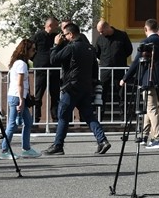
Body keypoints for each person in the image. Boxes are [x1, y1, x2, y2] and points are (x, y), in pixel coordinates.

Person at [44, 23, 110, 156]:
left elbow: (53, 59)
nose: (64, 37)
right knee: (88, 115)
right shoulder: (90, 48)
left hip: (71, 87)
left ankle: (58, 145)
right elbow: (94, 69)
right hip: (85, 87)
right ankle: (102, 140)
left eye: (65, 35)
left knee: (63, 115)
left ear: (71, 34)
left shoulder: (72, 47)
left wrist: (56, 45)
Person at [121, 19, 159, 149]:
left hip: (150, 80)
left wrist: (125, 78)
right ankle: (145, 135)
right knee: (153, 109)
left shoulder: (146, 42)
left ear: (145, 29)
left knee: (151, 109)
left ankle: (157, 138)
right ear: (157, 28)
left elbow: (136, 62)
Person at [0, 38, 41, 159]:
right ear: (26, 50)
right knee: (12, 125)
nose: (34, 52)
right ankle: (4, 150)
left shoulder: (18, 63)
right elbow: (20, 84)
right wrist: (22, 100)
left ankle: (26, 148)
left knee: (28, 122)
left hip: (16, 95)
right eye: (33, 49)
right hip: (17, 96)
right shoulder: (22, 64)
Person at [31, 17, 61, 123]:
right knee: (38, 95)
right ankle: (35, 117)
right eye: (56, 25)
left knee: (55, 95)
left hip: (54, 70)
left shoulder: (56, 37)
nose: (57, 27)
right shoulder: (38, 36)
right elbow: (30, 49)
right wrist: (37, 60)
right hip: (41, 70)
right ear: (50, 25)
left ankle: (55, 117)